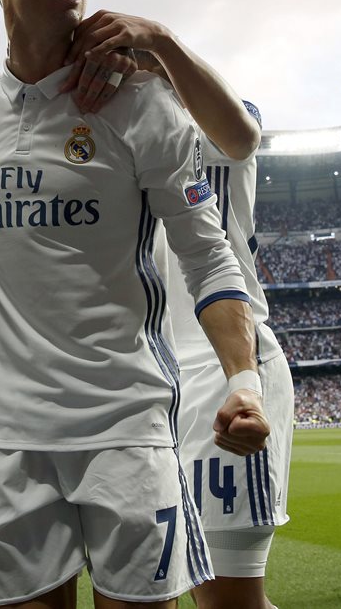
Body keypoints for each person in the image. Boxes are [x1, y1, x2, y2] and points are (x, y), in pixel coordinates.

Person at [0, 0, 268, 608]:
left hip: (126, 425)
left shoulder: (140, 103)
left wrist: (243, 382)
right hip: (6, 434)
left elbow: (208, 253)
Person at [119, 48, 291, 609]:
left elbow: (243, 140)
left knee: (228, 598)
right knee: (150, 585)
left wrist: (159, 47)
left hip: (225, 362)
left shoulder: (224, 119)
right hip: (142, 372)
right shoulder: (115, 134)